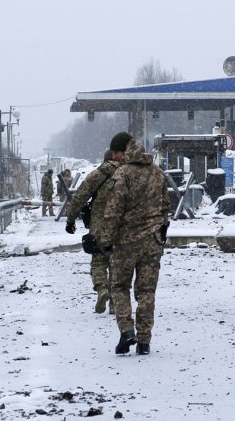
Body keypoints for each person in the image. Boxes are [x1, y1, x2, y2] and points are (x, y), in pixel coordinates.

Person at [98, 133, 169, 356]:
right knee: (147, 291)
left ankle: (127, 330)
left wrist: (106, 240)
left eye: (116, 153)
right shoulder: (157, 172)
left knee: (119, 287)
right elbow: (166, 206)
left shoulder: (122, 174)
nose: (114, 157)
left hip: (126, 243)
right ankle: (145, 341)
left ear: (124, 151)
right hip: (152, 242)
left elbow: (114, 210)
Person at [64, 149, 121, 313]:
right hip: (121, 227)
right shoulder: (128, 175)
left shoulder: (96, 175)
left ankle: (102, 288)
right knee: (117, 263)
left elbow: (79, 198)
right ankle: (114, 303)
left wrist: (70, 220)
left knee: (98, 261)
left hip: (99, 227)